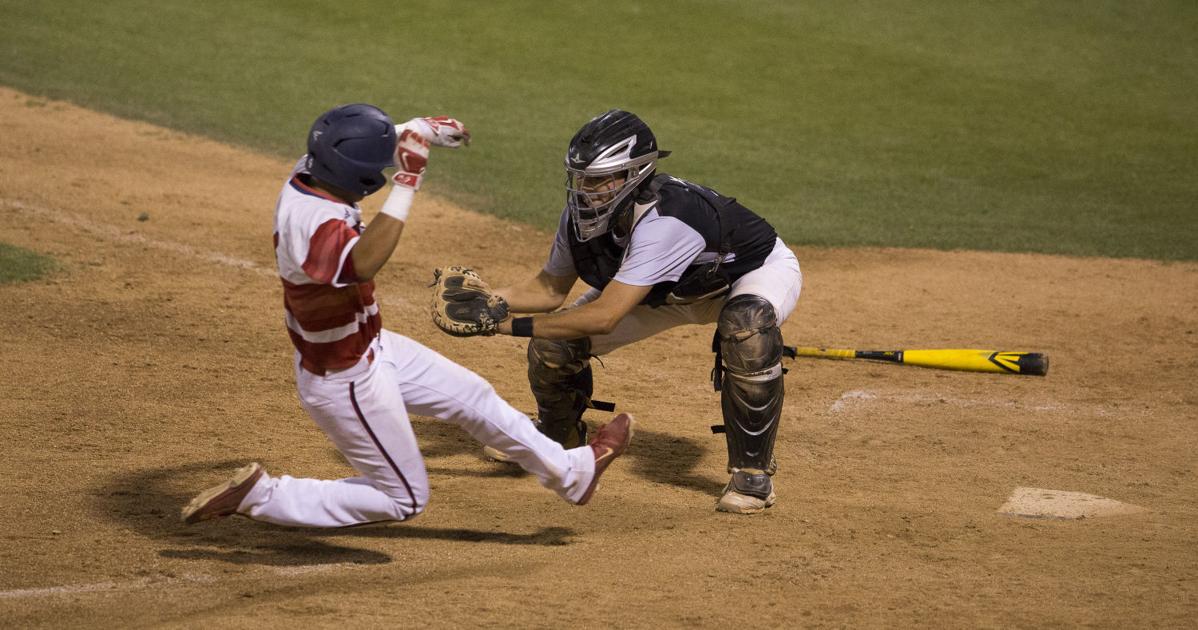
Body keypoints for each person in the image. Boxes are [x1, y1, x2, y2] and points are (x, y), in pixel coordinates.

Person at [180, 104, 632, 527]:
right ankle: (263, 496)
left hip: (372, 347)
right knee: (403, 499)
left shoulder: (311, 170)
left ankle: (572, 473)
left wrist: (415, 129)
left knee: (473, 397)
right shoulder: (311, 224)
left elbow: (351, 147)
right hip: (344, 376)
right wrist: (406, 182)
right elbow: (363, 263)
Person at [484, 109, 801, 514]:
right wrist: (487, 302)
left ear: (633, 175)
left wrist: (502, 327)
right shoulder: (579, 221)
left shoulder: (666, 219)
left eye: (599, 180)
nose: (586, 190)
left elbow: (606, 316)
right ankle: (558, 440)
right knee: (555, 343)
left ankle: (752, 475)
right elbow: (547, 290)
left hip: (742, 278)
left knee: (746, 328)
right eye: (581, 179)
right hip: (662, 292)